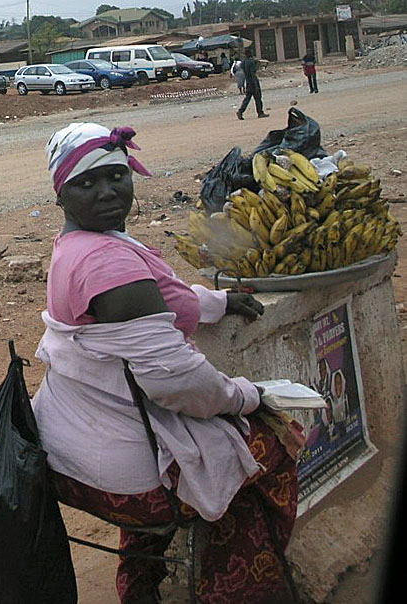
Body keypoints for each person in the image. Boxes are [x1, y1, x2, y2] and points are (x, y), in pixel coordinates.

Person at [32, 122, 304, 604]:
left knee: (183, 450)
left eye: (115, 175)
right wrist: (247, 395)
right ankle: (240, 590)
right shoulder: (108, 263)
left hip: (69, 449)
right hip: (124, 479)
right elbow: (177, 381)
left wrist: (216, 304)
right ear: (61, 196)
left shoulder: (79, 246)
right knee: (269, 451)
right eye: (86, 183)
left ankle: (139, 586)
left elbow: (158, 298)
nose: (106, 191)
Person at [236, 47, 269, 120]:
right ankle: (260, 112)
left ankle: (240, 111)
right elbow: (253, 73)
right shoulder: (251, 62)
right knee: (258, 98)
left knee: (247, 98)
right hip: (253, 82)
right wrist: (256, 85)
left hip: (247, 82)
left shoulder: (243, 62)